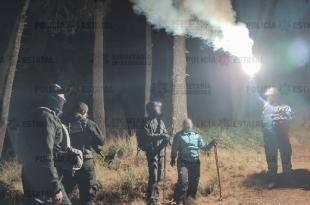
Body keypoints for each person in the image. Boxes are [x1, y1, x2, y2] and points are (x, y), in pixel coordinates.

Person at [16, 83, 71, 205]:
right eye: (62, 98)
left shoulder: (29, 116)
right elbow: (45, 153)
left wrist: (64, 156)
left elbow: (32, 149)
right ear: (53, 99)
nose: (64, 101)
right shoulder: (47, 117)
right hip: (44, 176)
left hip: (28, 173)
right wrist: (55, 187)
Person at [251, 79, 294, 188]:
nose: (270, 96)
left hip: (282, 138)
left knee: (286, 158)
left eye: (272, 95)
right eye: (269, 95)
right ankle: (273, 179)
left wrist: (284, 118)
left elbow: (292, 117)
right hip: (269, 139)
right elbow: (255, 96)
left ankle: (288, 178)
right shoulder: (265, 106)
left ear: (276, 95)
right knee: (271, 160)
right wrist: (251, 80)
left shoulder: (284, 107)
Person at [61, 101, 105, 205]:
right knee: (88, 198)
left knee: (65, 195)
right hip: (85, 163)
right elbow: (101, 141)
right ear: (84, 111)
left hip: (68, 163)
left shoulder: (63, 122)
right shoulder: (87, 122)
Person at [170, 118, 217, 205]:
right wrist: (173, 158)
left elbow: (204, 148)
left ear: (191, 125)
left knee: (194, 183)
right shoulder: (179, 135)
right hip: (183, 162)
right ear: (183, 125)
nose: (187, 125)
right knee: (183, 181)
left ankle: (189, 200)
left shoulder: (196, 135)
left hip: (195, 162)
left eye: (189, 123)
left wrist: (211, 143)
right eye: (185, 123)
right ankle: (179, 201)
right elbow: (174, 148)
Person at [137, 101, 170, 205]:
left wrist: (168, 138)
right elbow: (147, 136)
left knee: (159, 174)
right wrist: (162, 136)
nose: (159, 110)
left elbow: (165, 133)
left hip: (160, 151)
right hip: (151, 152)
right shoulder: (145, 122)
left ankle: (154, 193)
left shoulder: (160, 122)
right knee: (154, 174)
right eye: (157, 108)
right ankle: (151, 199)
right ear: (151, 109)